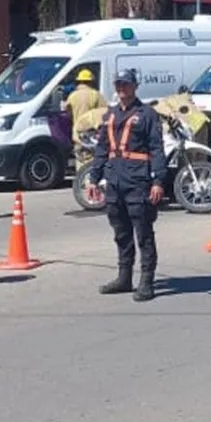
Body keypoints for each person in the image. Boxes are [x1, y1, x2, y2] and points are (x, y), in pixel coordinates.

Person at [86, 69, 167, 303]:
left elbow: (157, 149)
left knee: (143, 234)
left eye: (126, 84)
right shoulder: (110, 115)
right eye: (118, 84)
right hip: (115, 182)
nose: (122, 88)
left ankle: (146, 281)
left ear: (135, 86)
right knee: (121, 233)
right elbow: (102, 149)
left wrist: (158, 181)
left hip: (138, 183)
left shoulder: (147, 114)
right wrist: (94, 179)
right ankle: (124, 277)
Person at [63, 68, 108, 169]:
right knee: (92, 159)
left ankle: (81, 180)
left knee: (80, 159)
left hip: (78, 132)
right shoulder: (96, 95)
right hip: (92, 133)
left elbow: (67, 113)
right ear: (91, 81)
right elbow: (104, 113)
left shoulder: (72, 96)